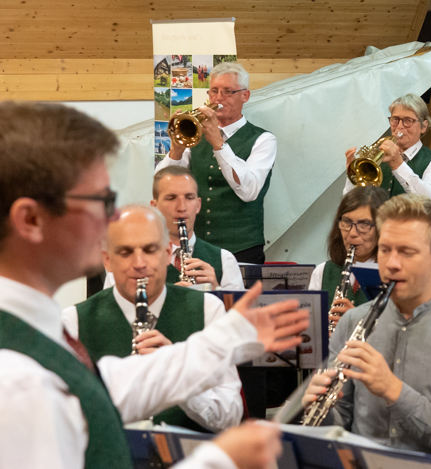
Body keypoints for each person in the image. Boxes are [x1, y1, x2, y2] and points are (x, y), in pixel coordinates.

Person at [0, 101, 310, 468]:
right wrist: (220, 459)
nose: (110, 219)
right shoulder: (15, 375)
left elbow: (98, 391)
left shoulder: (31, 327)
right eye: (100, 201)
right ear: (31, 219)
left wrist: (225, 339)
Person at [303, 194, 431, 457]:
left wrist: (392, 390)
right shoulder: (352, 321)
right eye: (385, 250)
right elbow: (341, 421)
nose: (392, 264)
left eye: (406, 252)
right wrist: (319, 410)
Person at [64, 204, 242, 432]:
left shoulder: (208, 309)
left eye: (150, 250)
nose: (139, 264)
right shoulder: (72, 322)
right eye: (125, 252)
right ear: (107, 260)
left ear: (167, 253)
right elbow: (64, 422)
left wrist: (177, 375)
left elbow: (231, 416)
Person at [156, 62, 277, 264]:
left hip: (243, 248)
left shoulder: (263, 140)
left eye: (228, 91)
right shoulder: (195, 136)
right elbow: (161, 185)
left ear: (245, 96)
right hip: (197, 246)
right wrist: (176, 150)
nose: (218, 98)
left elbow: (249, 191)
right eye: (214, 91)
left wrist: (219, 144)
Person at [104, 166, 244, 290]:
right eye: (171, 198)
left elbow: (239, 311)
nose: (182, 207)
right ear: (154, 206)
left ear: (198, 205)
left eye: (189, 197)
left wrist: (217, 291)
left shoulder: (224, 260)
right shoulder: (125, 260)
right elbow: (110, 308)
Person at [308, 186, 389, 329]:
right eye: (346, 222)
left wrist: (359, 321)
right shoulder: (322, 272)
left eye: (364, 224)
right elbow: (311, 332)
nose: (352, 233)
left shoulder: (395, 276)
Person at [343, 94, 431, 203]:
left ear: (423, 126)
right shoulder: (377, 155)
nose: (400, 126)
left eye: (408, 120)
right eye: (395, 119)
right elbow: (350, 203)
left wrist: (398, 165)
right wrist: (354, 176)